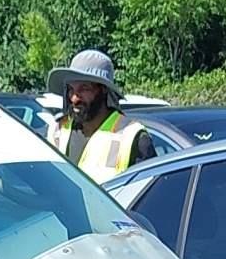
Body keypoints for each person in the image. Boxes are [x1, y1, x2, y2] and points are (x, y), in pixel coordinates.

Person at [44, 48, 160, 177]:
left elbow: (148, 192)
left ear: (104, 89)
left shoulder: (131, 137)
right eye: (71, 89)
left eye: (84, 88)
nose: (74, 98)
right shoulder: (57, 131)